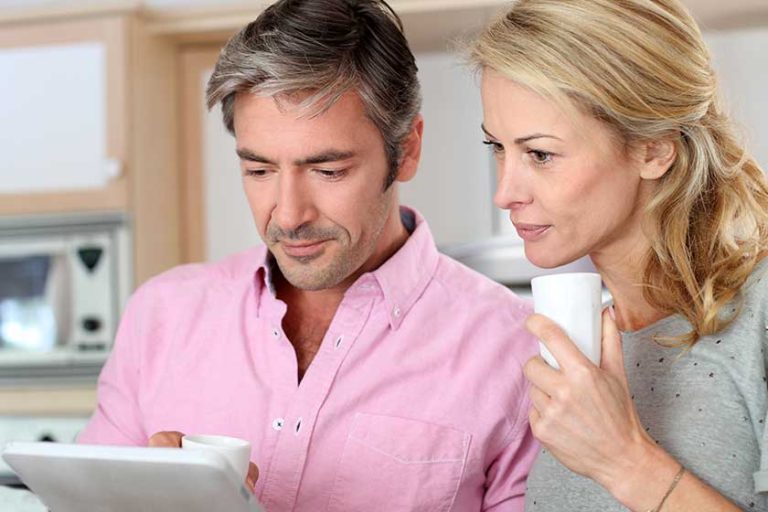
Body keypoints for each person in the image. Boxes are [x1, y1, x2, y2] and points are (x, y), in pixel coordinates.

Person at [78, 0, 539, 510]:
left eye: (328, 171)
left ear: (406, 150)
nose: (290, 214)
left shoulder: (518, 353)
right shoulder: (161, 315)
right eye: (259, 171)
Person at [470, 0, 768, 510]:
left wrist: (623, 459)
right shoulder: (589, 340)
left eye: (540, 154)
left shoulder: (757, 315)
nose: (505, 193)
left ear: (652, 149)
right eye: (497, 146)